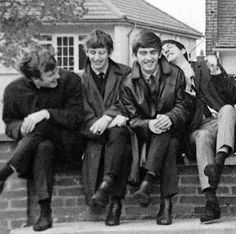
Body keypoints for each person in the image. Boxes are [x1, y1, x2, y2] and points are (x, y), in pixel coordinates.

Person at [0, 47, 84, 231]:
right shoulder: (14, 90)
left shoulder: (70, 80)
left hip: (69, 146)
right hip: (35, 150)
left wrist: (46, 114)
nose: (57, 77)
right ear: (35, 80)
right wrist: (21, 128)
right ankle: (45, 213)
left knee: (40, 124)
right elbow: (9, 123)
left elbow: (77, 117)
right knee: (43, 146)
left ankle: (5, 172)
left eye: (56, 70)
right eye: (50, 75)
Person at [118, 30, 189, 225]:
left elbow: (183, 107)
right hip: (143, 137)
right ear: (135, 55)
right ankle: (165, 204)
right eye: (143, 53)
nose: (148, 58)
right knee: (166, 140)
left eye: (152, 52)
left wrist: (170, 118)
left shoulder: (176, 74)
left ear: (159, 54)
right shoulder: (127, 83)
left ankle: (149, 186)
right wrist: (149, 124)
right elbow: (132, 119)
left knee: (170, 139)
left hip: (173, 131)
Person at [162, 39, 236, 223]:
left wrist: (217, 73)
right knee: (203, 137)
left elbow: (232, 96)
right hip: (198, 128)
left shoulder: (204, 66)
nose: (165, 51)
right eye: (162, 51)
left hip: (222, 121)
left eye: (169, 47)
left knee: (227, 108)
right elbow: (181, 117)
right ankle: (211, 200)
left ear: (183, 50)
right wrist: (187, 90)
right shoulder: (170, 79)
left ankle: (217, 162)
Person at [81, 29, 131, 226]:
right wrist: (97, 123)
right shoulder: (80, 79)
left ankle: (109, 193)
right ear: (86, 52)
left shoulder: (125, 72)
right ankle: (114, 199)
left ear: (109, 51)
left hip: (118, 128)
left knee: (119, 137)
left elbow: (126, 101)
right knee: (121, 150)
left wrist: (108, 118)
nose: (97, 57)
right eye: (92, 52)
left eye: (101, 52)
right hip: (93, 133)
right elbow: (81, 108)